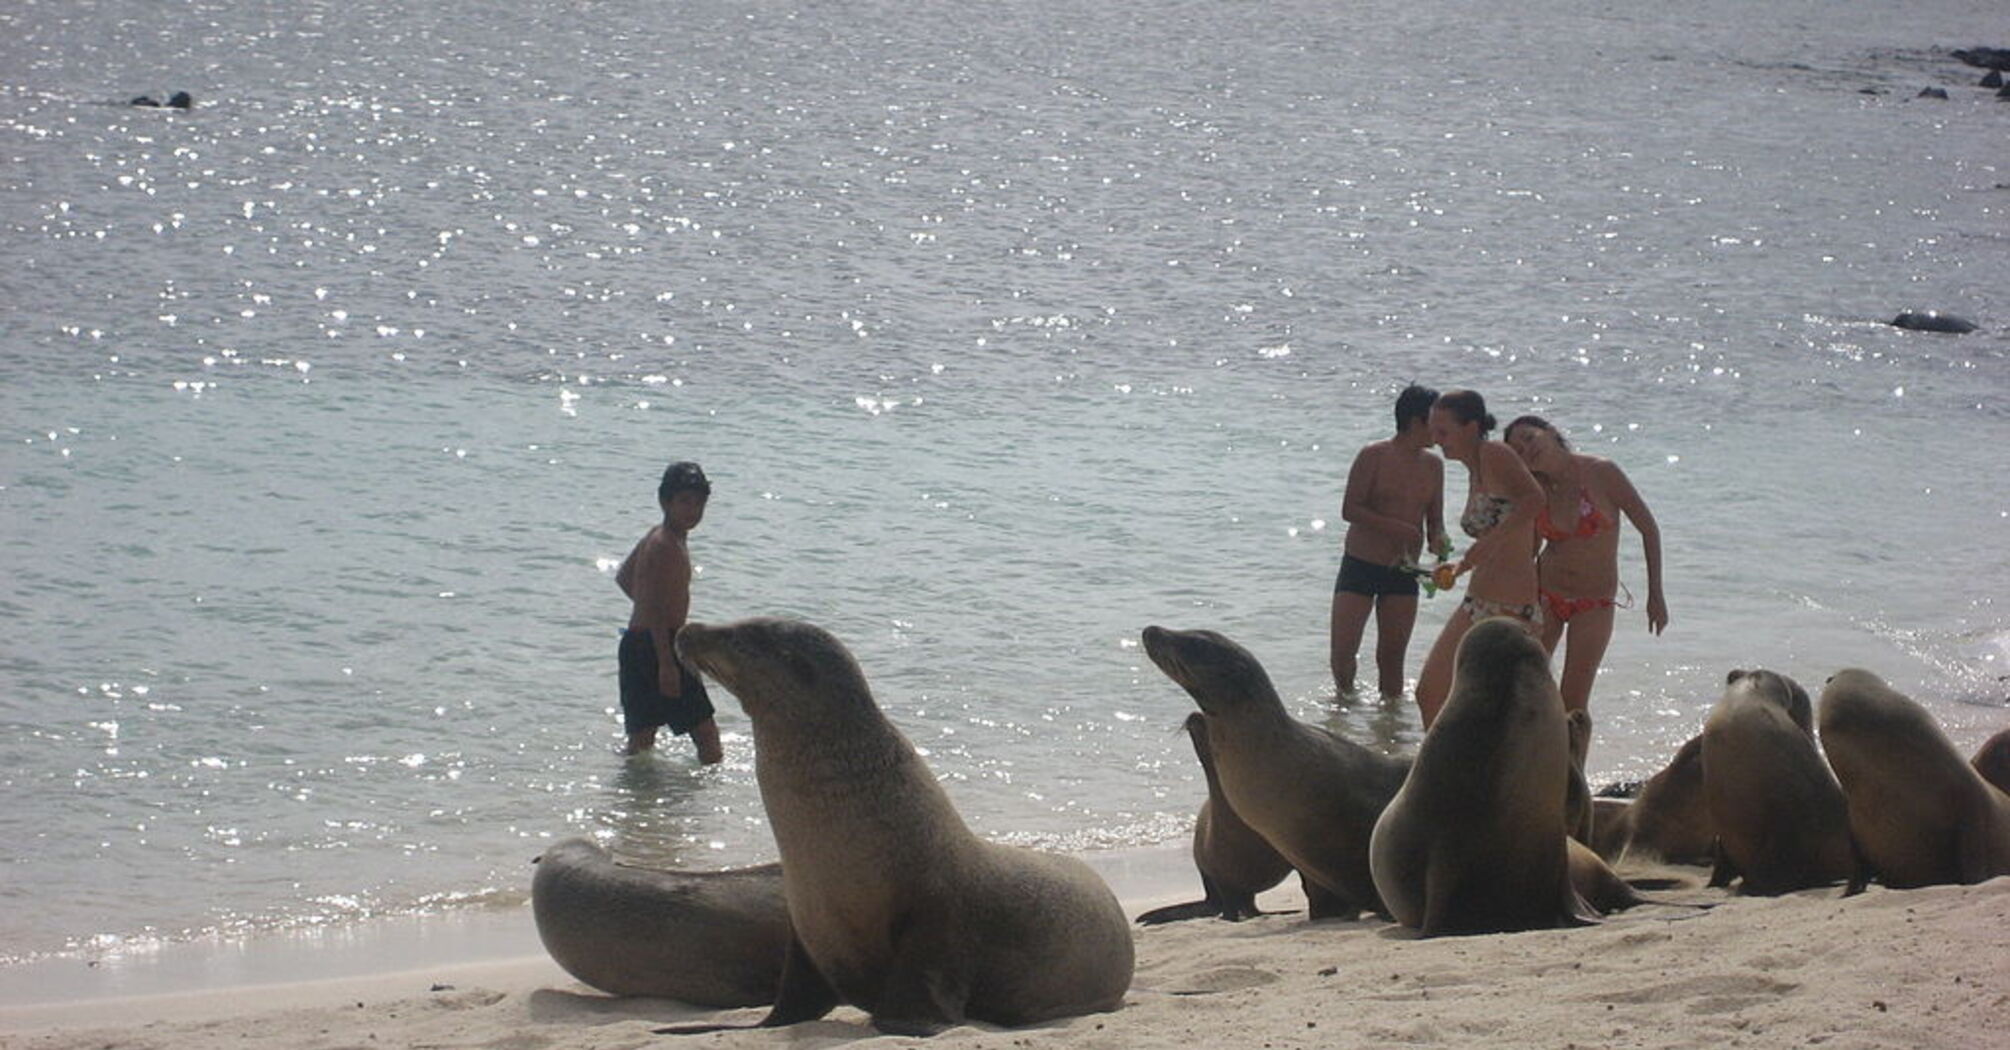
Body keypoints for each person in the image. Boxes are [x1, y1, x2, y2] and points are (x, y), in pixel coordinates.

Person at [1502, 415, 1669, 716]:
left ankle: (1571, 763)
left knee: (1574, 702)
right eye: (1518, 451)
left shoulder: (1601, 472)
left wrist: (1655, 594)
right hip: (1546, 595)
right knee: (1524, 686)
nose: (1527, 449)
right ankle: (1529, 759)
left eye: (1529, 438)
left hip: (1594, 601)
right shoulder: (1535, 490)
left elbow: (1648, 529)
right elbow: (1528, 552)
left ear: (1551, 432)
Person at [1412, 390, 1544, 728]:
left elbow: (1534, 499)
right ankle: (1445, 776)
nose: (1436, 440)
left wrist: (1482, 550)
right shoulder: (1475, 468)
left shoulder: (1495, 454)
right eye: (1432, 431)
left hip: (1511, 609)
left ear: (1471, 427)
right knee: (1431, 693)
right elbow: (1500, 531)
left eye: (1443, 431)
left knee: (1503, 716)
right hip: (1478, 601)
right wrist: (1457, 566)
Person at [1329, 384, 1448, 700]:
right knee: (1343, 653)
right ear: (1415, 421)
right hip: (1361, 564)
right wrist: (1398, 528)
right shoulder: (1374, 455)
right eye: (1435, 421)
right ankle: (1342, 714)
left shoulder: (1434, 465)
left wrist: (1439, 539)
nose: (1440, 430)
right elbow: (1350, 509)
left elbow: (1434, 518)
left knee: (1392, 658)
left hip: (1404, 570)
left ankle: (1390, 728)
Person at [615, 461, 724, 762]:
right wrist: (666, 663)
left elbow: (624, 578)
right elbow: (654, 605)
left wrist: (646, 609)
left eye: (700, 502)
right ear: (665, 501)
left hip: (637, 644)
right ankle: (706, 804)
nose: (694, 510)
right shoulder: (665, 545)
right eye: (685, 502)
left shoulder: (658, 536)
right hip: (661, 646)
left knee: (641, 740)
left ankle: (635, 801)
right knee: (707, 738)